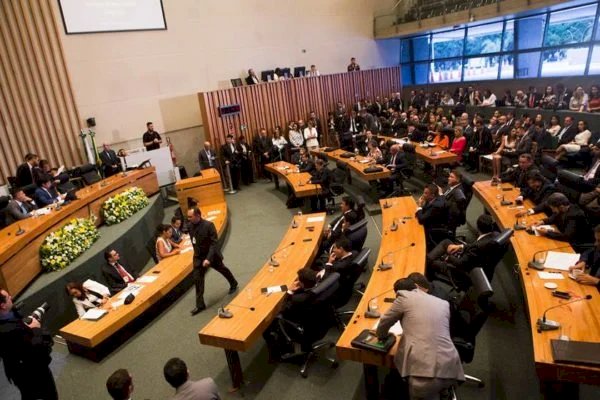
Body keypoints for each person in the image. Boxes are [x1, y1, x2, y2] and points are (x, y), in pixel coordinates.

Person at [376, 273, 464, 400]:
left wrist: (382, 335)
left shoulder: (403, 298)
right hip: (452, 366)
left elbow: (384, 322)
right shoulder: (443, 303)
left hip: (425, 374)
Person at [0, 289, 57, 400]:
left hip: (16, 372)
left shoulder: (7, 321)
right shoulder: (11, 329)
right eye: (8, 297)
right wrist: (36, 329)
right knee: (49, 396)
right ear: (2, 305)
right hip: (33, 372)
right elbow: (41, 354)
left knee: (27, 394)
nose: (11, 297)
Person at [187, 207, 238, 315]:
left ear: (197, 215)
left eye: (190, 216)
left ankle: (233, 283)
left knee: (223, 269)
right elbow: (194, 241)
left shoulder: (208, 225)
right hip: (198, 257)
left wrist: (208, 259)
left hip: (211, 256)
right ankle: (200, 305)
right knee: (198, 280)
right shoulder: (189, 226)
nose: (188, 218)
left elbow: (214, 244)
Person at [426, 215, 499, 285]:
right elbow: (477, 247)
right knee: (447, 242)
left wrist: (449, 257)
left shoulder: (477, 247)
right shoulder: (497, 235)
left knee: (431, 263)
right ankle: (428, 260)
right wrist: (461, 246)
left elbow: (460, 263)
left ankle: (428, 274)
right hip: (481, 266)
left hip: (464, 271)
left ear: (478, 228)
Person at [416, 184, 449, 249]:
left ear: (432, 195)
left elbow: (421, 219)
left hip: (433, 228)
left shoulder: (435, 206)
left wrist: (419, 206)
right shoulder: (435, 198)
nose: (423, 195)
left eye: (425, 193)